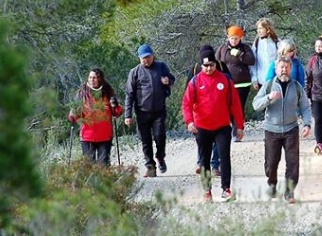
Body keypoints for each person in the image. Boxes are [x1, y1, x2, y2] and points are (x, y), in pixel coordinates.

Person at [183, 48, 246, 202]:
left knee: (224, 157)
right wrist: (189, 121)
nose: (209, 68)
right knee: (204, 159)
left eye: (211, 65)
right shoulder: (195, 81)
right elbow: (186, 103)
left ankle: (226, 189)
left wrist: (240, 126)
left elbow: (235, 104)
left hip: (222, 126)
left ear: (215, 64)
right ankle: (207, 191)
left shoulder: (225, 80)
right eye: (205, 66)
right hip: (202, 127)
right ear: (201, 65)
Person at [253, 56, 312, 204]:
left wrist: (307, 124)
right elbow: (256, 105)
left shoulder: (297, 87)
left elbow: (305, 106)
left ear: (291, 69)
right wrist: (268, 98)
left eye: (287, 67)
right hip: (271, 130)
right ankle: (272, 184)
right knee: (271, 163)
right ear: (276, 69)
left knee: (292, 162)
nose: (284, 70)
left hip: (291, 129)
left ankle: (289, 192)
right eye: (281, 67)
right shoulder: (268, 85)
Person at [124, 44, 176, 178]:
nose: (145, 60)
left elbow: (172, 79)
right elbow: (129, 94)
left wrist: (167, 81)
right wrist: (127, 115)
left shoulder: (161, 67)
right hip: (142, 111)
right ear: (139, 59)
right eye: (143, 58)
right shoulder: (134, 72)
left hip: (159, 110)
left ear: (152, 55)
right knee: (145, 140)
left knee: (160, 136)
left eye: (147, 57)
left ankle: (160, 157)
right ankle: (150, 166)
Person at [186, 44, 229, 176]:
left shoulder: (221, 67)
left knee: (212, 139)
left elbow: (228, 85)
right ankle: (207, 164)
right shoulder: (194, 69)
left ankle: (211, 164)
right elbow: (188, 91)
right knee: (204, 140)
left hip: (216, 111)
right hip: (199, 113)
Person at [68, 68, 123, 166]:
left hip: (105, 135)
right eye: (90, 77)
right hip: (87, 135)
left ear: (100, 79)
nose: (92, 80)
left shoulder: (108, 93)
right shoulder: (82, 94)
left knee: (104, 165)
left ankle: (105, 181)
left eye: (95, 78)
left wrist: (116, 106)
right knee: (89, 166)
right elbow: (75, 115)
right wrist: (73, 115)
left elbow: (117, 113)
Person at [216, 25, 256, 139]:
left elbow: (252, 61)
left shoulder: (245, 48)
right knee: (226, 107)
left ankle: (237, 132)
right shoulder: (222, 49)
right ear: (228, 37)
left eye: (236, 38)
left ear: (240, 38)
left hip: (242, 84)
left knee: (238, 107)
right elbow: (216, 63)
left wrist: (239, 54)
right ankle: (227, 130)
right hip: (226, 84)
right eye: (232, 38)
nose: (233, 41)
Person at [251, 18, 280, 91]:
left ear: (268, 29)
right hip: (261, 81)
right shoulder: (257, 43)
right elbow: (253, 62)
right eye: (258, 28)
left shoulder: (277, 42)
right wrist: (254, 79)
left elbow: (281, 60)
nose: (258, 31)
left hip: (275, 80)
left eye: (261, 28)